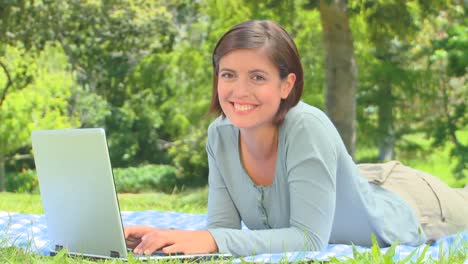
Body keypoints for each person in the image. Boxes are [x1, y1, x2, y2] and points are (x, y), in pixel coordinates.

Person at [124, 20, 468, 257]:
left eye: (257, 77)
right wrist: (175, 241)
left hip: (416, 205)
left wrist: (211, 239)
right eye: (228, 74)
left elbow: (309, 239)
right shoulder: (221, 134)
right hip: (364, 179)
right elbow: (223, 229)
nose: (239, 90)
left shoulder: (306, 125)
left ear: (286, 85)